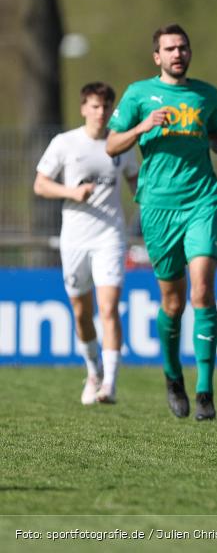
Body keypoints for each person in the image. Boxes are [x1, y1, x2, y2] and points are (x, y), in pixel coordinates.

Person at [106, 24, 217, 421]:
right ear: (157, 57)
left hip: (201, 199)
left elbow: (214, 130)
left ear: (189, 52)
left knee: (202, 290)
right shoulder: (138, 94)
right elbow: (112, 144)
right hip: (157, 207)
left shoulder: (206, 94)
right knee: (172, 301)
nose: (177, 53)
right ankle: (172, 377)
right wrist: (141, 127)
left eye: (183, 47)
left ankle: (204, 391)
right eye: (169, 49)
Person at [34, 82, 139, 405]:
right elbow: (40, 184)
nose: (101, 112)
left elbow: (136, 181)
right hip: (75, 238)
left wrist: (150, 207)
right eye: (94, 106)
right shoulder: (65, 143)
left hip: (110, 236)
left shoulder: (119, 145)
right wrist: (71, 193)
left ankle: (109, 383)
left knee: (109, 309)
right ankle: (93, 370)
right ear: (83, 109)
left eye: (106, 107)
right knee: (82, 312)